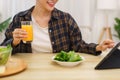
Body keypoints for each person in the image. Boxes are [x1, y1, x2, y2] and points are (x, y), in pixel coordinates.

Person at [1, 0, 114, 55]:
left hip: (58, 72)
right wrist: (14, 42)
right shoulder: (20, 19)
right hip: (28, 71)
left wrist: (98, 47)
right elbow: (3, 50)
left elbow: (79, 46)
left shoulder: (65, 19)